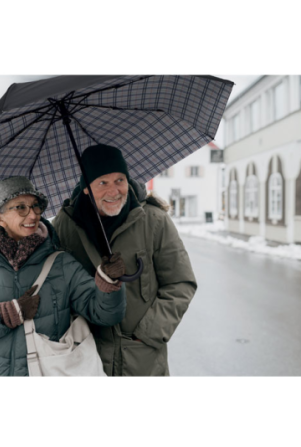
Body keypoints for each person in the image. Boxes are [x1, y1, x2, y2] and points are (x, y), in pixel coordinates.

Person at [0, 176, 126, 376]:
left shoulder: (61, 263)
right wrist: (6, 314)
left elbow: (105, 315)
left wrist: (108, 284)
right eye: (21, 208)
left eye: (35, 206)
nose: (33, 215)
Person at [52, 144, 198, 376]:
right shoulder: (65, 225)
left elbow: (180, 283)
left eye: (120, 180)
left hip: (141, 357)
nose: (114, 190)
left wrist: (148, 333)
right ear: (86, 188)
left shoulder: (154, 221)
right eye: (102, 182)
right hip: (85, 356)